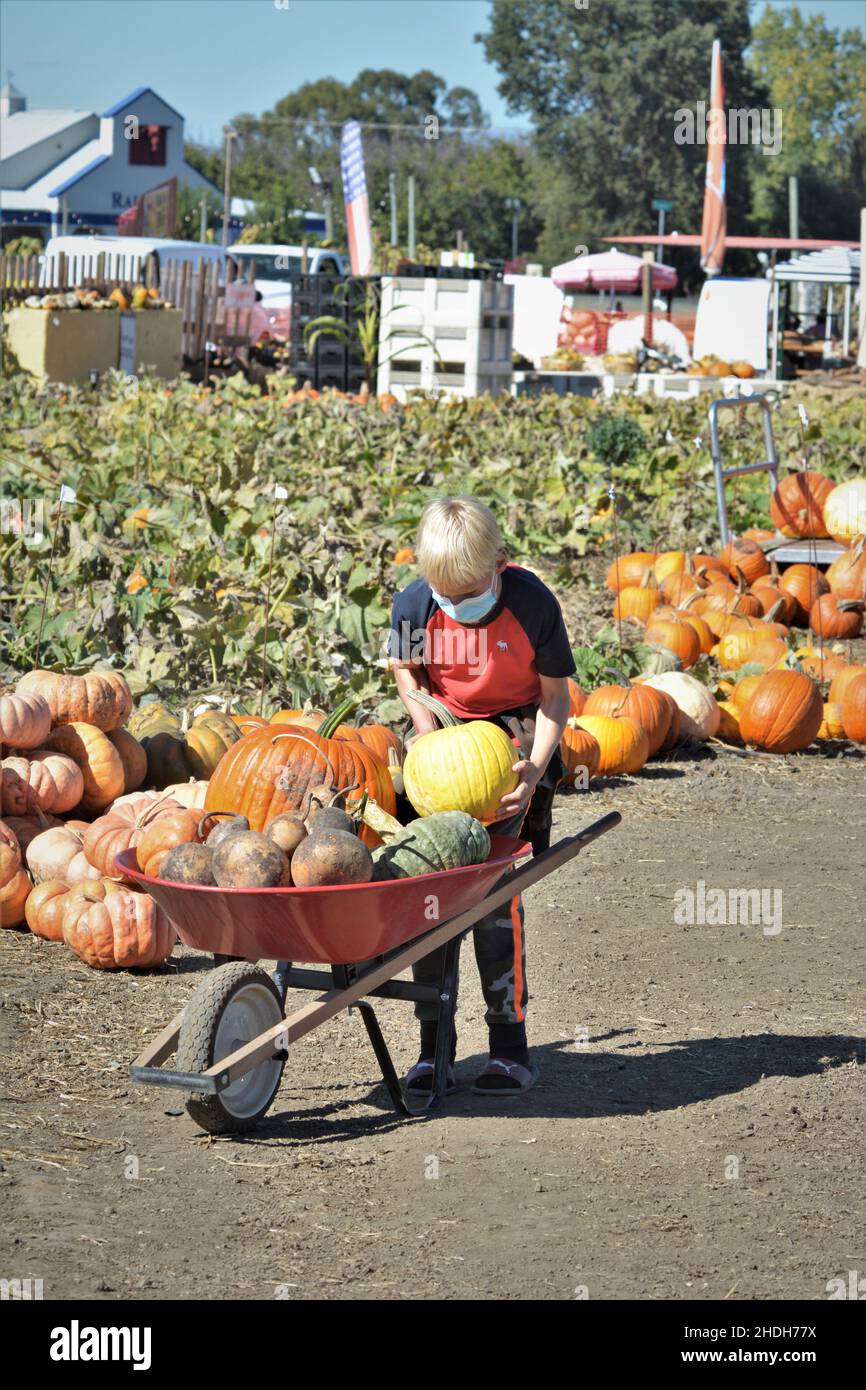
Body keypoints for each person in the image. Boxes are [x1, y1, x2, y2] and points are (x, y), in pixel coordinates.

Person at [388, 496, 574, 1097]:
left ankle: (508, 1045)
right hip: (446, 739)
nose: (455, 605)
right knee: (430, 897)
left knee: (496, 900)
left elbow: (554, 699)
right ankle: (431, 1046)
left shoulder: (531, 605)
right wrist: (427, 732)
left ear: (501, 562)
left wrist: (533, 772)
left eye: (467, 594)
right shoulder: (416, 604)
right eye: (445, 594)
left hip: (516, 737)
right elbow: (406, 671)